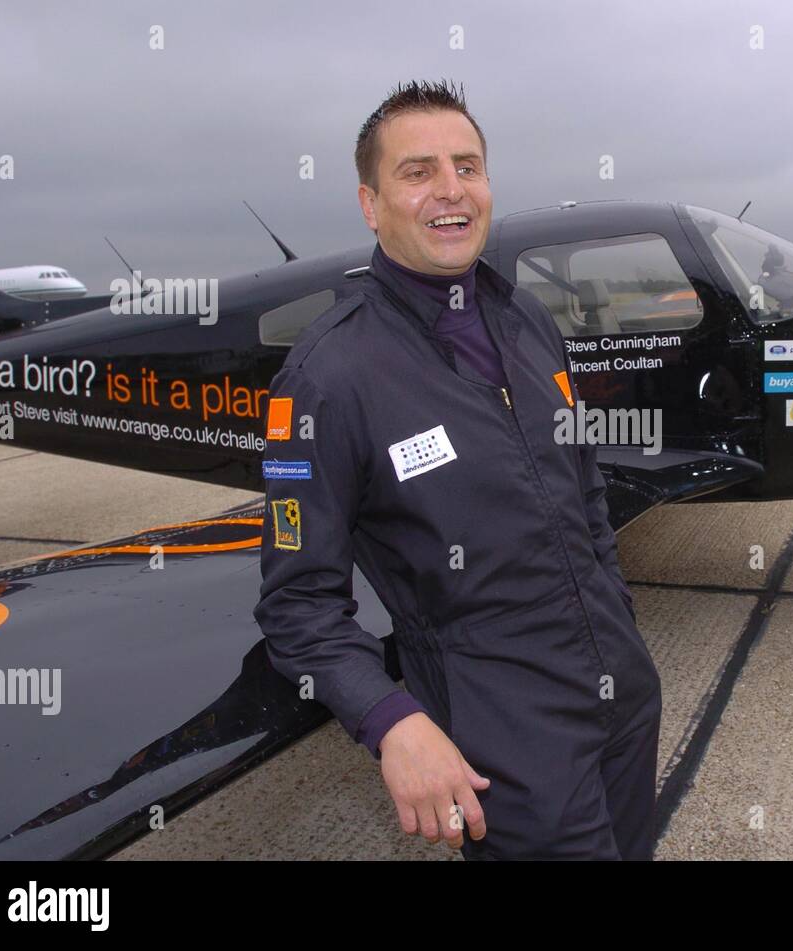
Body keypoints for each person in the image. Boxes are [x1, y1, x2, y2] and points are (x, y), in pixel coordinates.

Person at [253, 79, 662, 860]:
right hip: (508, 749)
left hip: (623, 701)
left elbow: (587, 495)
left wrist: (622, 629)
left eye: (467, 166)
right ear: (371, 204)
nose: (450, 190)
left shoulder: (527, 319)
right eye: (418, 172)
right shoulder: (330, 376)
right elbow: (298, 607)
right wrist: (393, 721)